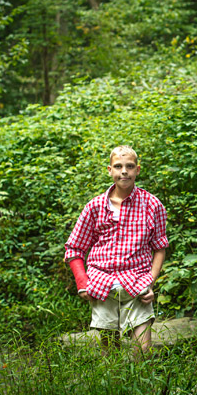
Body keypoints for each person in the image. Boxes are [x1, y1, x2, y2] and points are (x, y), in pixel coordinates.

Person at [64, 145, 168, 353]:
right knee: (109, 351)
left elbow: (159, 248)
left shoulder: (152, 205)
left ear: (137, 170)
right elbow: (74, 248)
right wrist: (82, 282)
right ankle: (112, 386)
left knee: (143, 351)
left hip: (138, 285)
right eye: (118, 166)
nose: (124, 171)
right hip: (102, 285)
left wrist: (151, 281)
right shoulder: (94, 207)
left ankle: (140, 385)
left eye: (129, 166)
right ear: (109, 170)